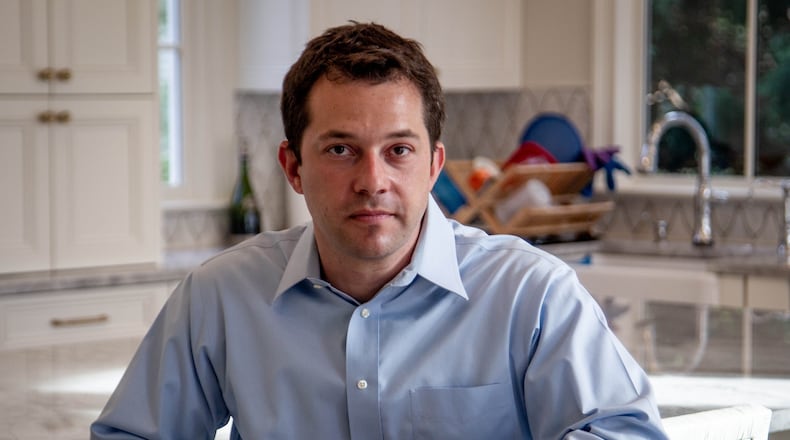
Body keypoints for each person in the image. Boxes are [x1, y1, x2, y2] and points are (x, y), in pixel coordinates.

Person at [91, 22, 668, 439]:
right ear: (293, 167)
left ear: (435, 165)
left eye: (399, 150)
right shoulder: (220, 296)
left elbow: (624, 433)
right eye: (341, 149)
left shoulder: (531, 295)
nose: (374, 180)